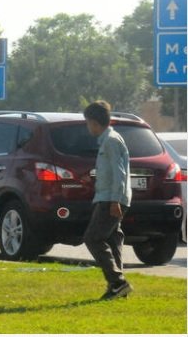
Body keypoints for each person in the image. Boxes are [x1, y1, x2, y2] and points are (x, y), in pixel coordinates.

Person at [83, 100, 133, 300]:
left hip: (113, 199)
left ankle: (118, 282)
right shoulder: (106, 140)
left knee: (92, 238)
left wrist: (115, 201)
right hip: (106, 198)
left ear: (94, 122)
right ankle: (119, 290)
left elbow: (119, 174)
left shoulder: (111, 140)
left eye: (88, 122)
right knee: (112, 239)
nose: (88, 127)